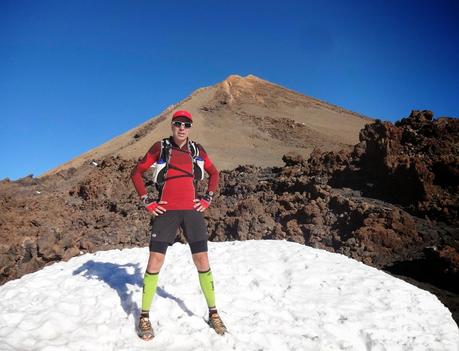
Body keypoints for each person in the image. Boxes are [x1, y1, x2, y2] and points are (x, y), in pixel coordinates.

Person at [131, 109, 227, 341]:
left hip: (192, 211)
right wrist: (148, 203)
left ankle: (213, 312)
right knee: (155, 260)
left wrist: (207, 199)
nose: (181, 128)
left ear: (190, 127)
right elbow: (137, 173)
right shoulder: (160, 147)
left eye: (186, 124)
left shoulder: (197, 150)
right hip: (167, 210)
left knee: (202, 260)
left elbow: (214, 173)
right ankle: (144, 316)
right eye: (177, 124)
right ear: (172, 126)